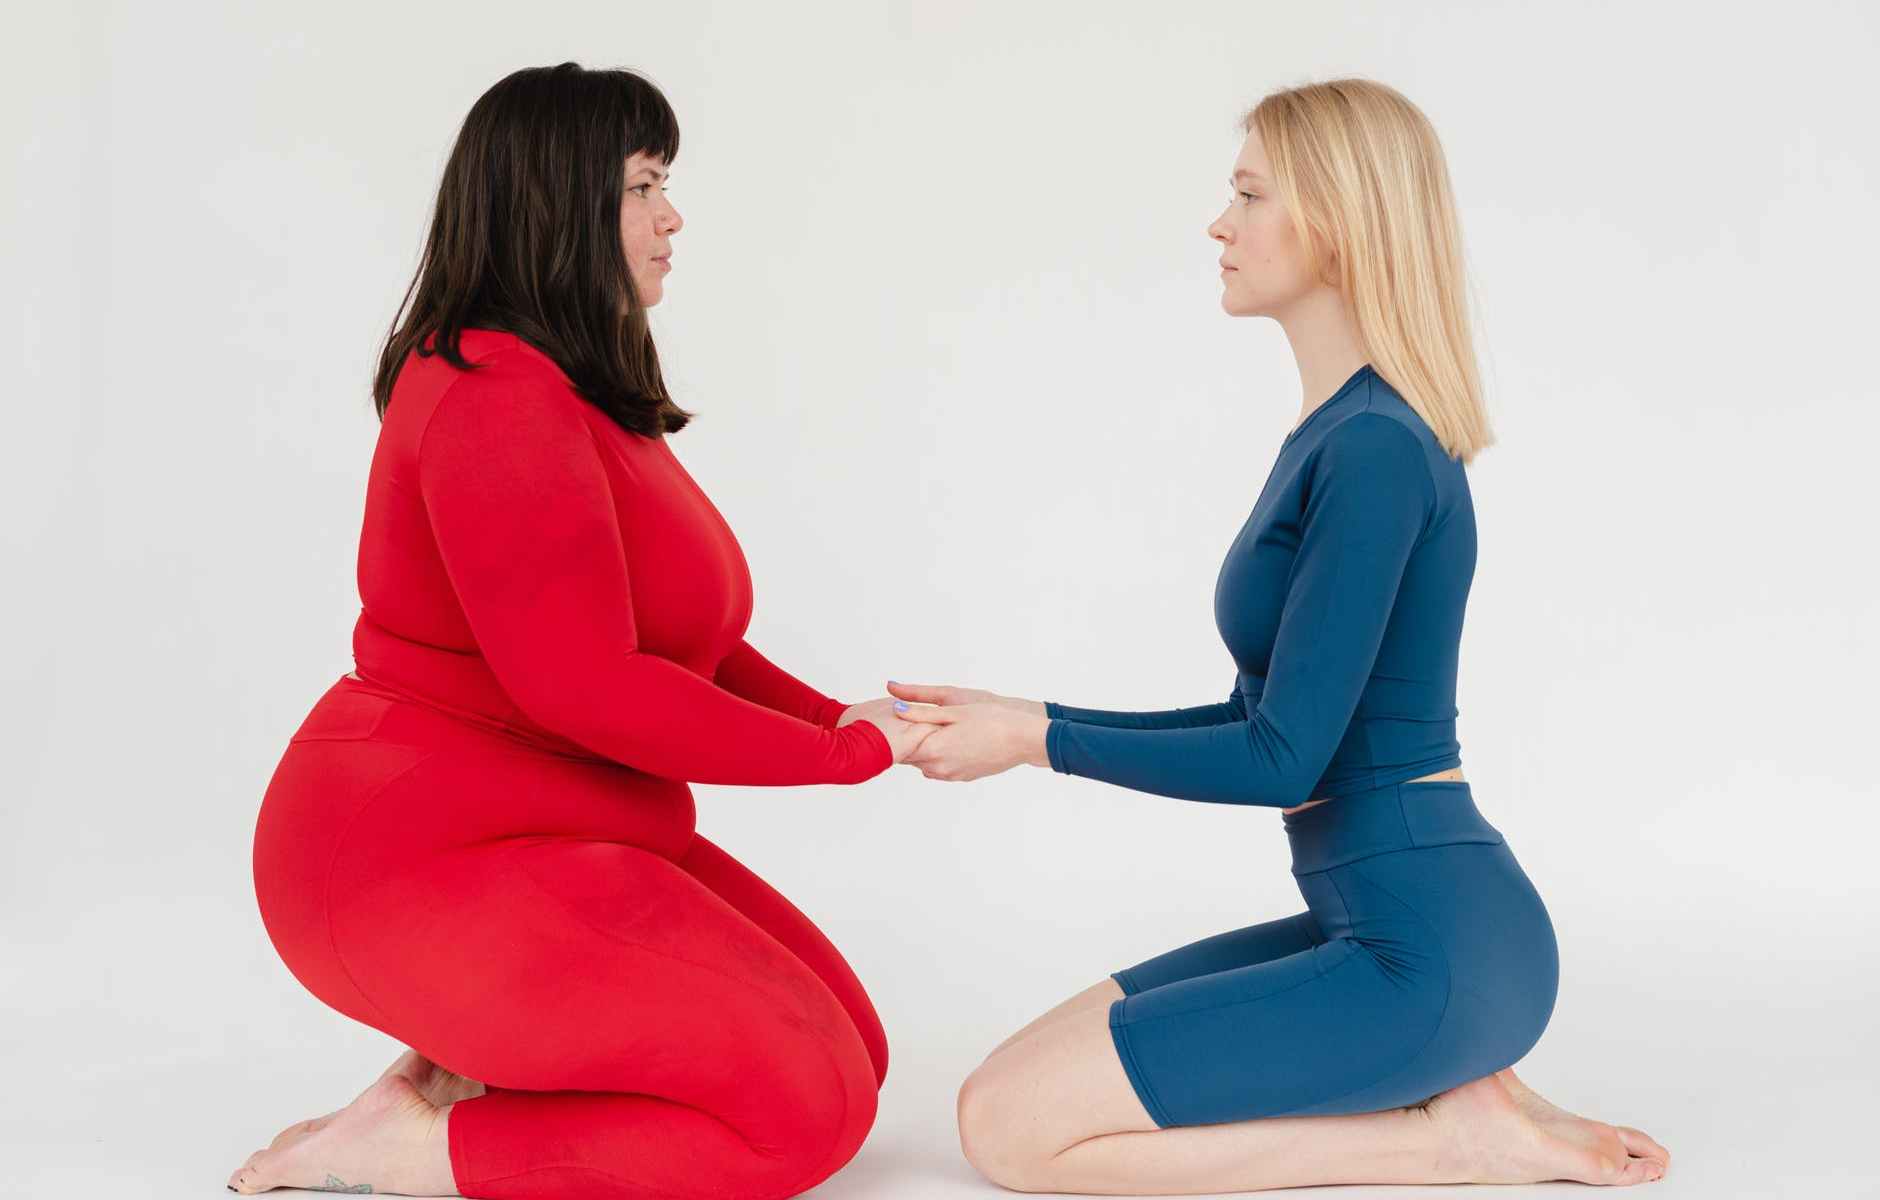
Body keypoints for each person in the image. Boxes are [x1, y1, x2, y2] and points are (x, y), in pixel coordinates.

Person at [884, 78, 1673, 1192]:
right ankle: (1462, 1091)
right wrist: (1028, 716)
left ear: (1339, 221)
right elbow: (1263, 717)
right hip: (1386, 925)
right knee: (1004, 1089)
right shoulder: (1338, 432)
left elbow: (1280, 760)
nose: (1219, 224)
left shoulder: (1374, 448)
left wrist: (1033, 743)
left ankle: (1448, 1137)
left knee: (1008, 1130)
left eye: (1249, 195)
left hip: (1427, 953)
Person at [231, 63, 930, 1199]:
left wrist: (836, 718)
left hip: (553, 831)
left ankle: (459, 1079)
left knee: (854, 1052)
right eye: (643, 186)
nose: (672, 217)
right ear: (560, 202)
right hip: (417, 863)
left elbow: (682, 643)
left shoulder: (563, 385)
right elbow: (590, 687)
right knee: (804, 1114)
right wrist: (839, 756)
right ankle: (411, 1149)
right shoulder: (492, 397)